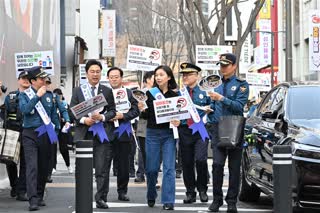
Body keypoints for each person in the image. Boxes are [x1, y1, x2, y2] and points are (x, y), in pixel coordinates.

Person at [19, 66, 71, 211]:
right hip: (30, 134)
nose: (44, 80)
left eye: (45, 78)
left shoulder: (51, 96)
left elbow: (56, 113)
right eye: (41, 78)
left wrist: (58, 127)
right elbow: (25, 110)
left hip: (46, 133)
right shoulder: (24, 95)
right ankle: (32, 199)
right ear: (33, 81)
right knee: (32, 167)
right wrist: (37, 96)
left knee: (43, 167)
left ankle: (40, 195)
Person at [70, 59, 116, 209]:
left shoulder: (107, 91)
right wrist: (84, 120)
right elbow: (72, 111)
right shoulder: (78, 90)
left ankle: (101, 198)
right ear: (86, 73)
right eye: (92, 71)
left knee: (102, 168)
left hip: (102, 133)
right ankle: (83, 196)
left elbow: (112, 111)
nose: (95, 74)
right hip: (84, 135)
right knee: (83, 169)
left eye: (98, 71)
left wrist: (102, 117)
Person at [206, 53, 249, 213]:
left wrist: (222, 98)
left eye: (226, 65)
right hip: (217, 128)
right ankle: (216, 200)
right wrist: (209, 110)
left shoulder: (242, 84)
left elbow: (239, 106)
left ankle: (231, 201)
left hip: (234, 128)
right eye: (221, 65)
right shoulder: (214, 83)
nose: (223, 68)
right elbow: (211, 103)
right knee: (217, 166)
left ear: (234, 66)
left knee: (234, 167)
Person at [140, 65, 180, 210]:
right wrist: (142, 109)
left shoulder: (176, 95)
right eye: (156, 75)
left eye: (161, 74)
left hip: (169, 135)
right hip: (152, 134)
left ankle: (168, 201)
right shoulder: (150, 94)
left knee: (169, 168)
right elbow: (146, 116)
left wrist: (178, 121)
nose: (158, 77)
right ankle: (151, 194)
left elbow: (181, 115)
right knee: (151, 168)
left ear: (169, 77)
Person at [178, 63, 213, 204]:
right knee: (186, 162)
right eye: (184, 75)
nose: (185, 77)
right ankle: (190, 192)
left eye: (189, 74)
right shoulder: (180, 93)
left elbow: (214, 108)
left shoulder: (205, 92)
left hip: (201, 129)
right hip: (185, 129)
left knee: (201, 159)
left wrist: (209, 111)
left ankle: (202, 189)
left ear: (197, 76)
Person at [107, 67, 140, 202]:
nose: (114, 79)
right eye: (111, 77)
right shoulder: (103, 93)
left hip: (123, 132)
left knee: (123, 165)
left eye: (116, 76)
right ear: (108, 78)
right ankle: (103, 192)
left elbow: (136, 111)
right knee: (104, 165)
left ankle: (122, 191)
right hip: (107, 132)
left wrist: (124, 116)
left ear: (121, 78)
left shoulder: (129, 93)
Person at [3, 71, 29, 201]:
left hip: (28, 131)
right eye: (23, 78)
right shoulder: (11, 96)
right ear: (18, 80)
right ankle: (14, 186)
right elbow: (4, 114)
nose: (25, 80)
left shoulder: (34, 96)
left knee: (25, 162)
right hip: (13, 132)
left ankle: (21, 190)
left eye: (28, 78)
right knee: (10, 161)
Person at [134, 71, 154, 183]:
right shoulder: (141, 93)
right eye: (153, 77)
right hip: (144, 124)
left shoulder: (158, 92)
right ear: (147, 80)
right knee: (143, 150)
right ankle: (141, 173)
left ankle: (150, 174)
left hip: (155, 125)